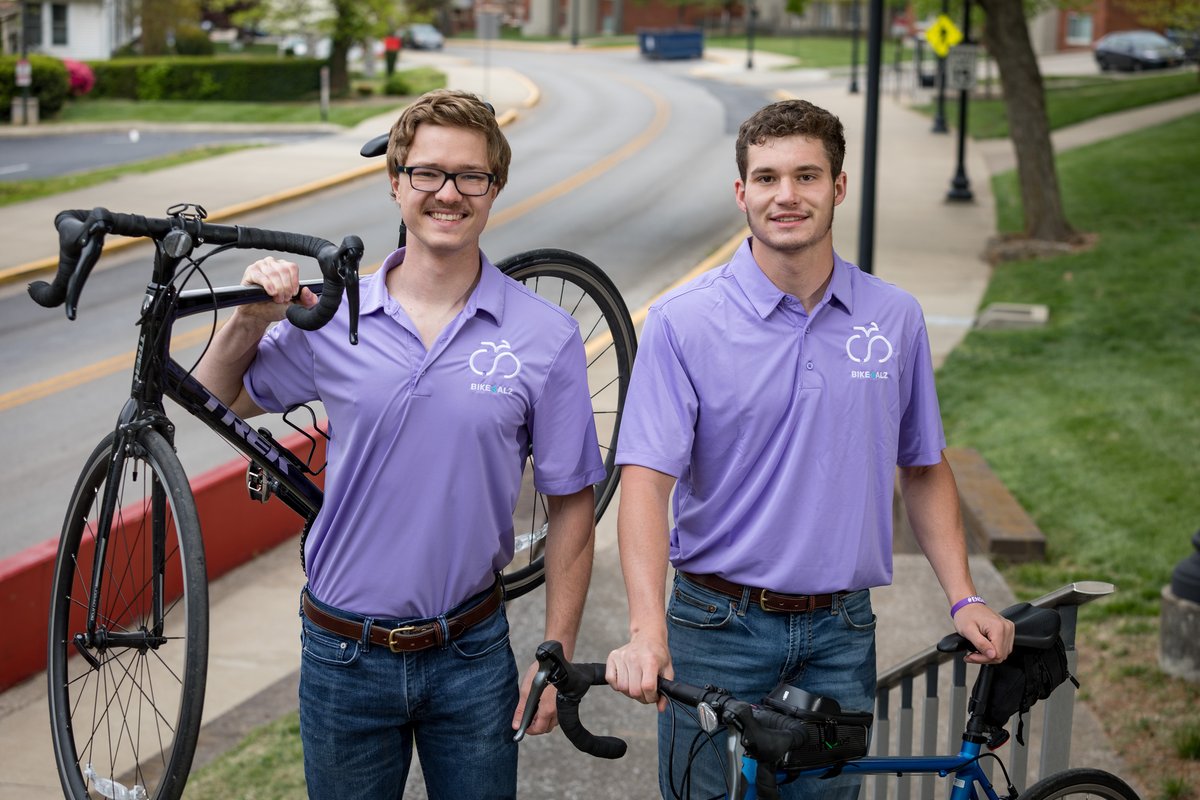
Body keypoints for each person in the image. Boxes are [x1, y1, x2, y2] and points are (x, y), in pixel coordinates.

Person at [194, 89, 604, 799]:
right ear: (395, 182)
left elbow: (571, 503)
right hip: (342, 654)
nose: (448, 193)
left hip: (472, 655)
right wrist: (249, 320)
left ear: (494, 187)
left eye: (470, 175)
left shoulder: (544, 336)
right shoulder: (334, 315)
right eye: (427, 173)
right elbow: (215, 395)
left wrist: (558, 654)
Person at [605, 98, 1016, 799]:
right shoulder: (684, 322)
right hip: (715, 625)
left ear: (839, 187)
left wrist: (963, 595)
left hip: (839, 632)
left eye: (806, 176)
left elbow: (922, 465)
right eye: (766, 178)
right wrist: (646, 631)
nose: (786, 196)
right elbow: (645, 481)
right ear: (742, 193)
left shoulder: (893, 317)